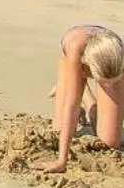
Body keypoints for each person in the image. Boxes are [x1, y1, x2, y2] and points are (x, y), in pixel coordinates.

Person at [35, 25, 124, 173]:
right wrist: (61, 161)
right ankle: (77, 88)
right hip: (72, 54)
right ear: (87, 67)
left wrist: (112, 83)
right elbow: (71, 107)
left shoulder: (118, 54)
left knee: (110, 141)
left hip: (108, 60)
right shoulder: (75, 48)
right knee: (59, 130)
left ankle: (88, 100)